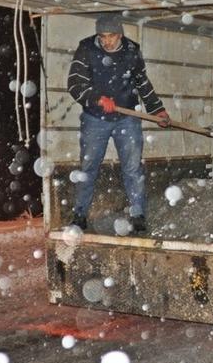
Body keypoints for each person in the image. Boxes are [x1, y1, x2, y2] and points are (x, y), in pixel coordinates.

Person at [66, 13, 169, 235]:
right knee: (88, 168)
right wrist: (96, 99)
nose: (106, 41)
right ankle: (80, 215)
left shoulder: (132, 50)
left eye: (111, 36)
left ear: (120, 34)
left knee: (132, 168)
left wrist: (157, 109)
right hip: (95, 119)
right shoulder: (86, 49)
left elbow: (142, 82)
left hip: (127, 117)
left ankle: (138, 215)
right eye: (102, 36)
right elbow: (75, 83)